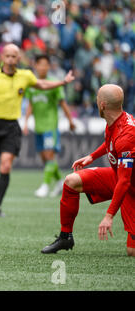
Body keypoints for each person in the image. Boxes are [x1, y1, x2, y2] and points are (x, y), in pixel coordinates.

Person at [0, 43, 75, 217]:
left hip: (11, 126)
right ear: (2, 57)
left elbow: (41, 84)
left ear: (19, 58)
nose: (11, 59)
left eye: (14, 56)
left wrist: (62, 82)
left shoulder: (25, 76)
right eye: (8, 56)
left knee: (5, 165)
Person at [41, 84, 135, 257]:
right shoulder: (116, 119)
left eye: (97, 98)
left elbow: (125, 181)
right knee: (71, 181)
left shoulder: (127, 135)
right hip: (119, 177)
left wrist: (108, 216)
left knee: (132, 252)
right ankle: (65, 236)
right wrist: (92, 156)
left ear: (102, 105)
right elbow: (111, 143)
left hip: (130, 187)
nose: (95, 100)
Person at [23, 55, 76, 198]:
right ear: (35, 66)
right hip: (39, 126)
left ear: (49, 66)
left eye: (46, 64)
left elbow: (63, 103)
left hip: (50, 125)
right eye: (40, 64)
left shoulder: (54, 84)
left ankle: (45, 186)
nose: (43, 67)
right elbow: (30, 104)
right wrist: (26, 122)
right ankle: (60, 182)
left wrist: (71, 120)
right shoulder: (32, 84)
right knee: (44, 158)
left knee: (49, 155)